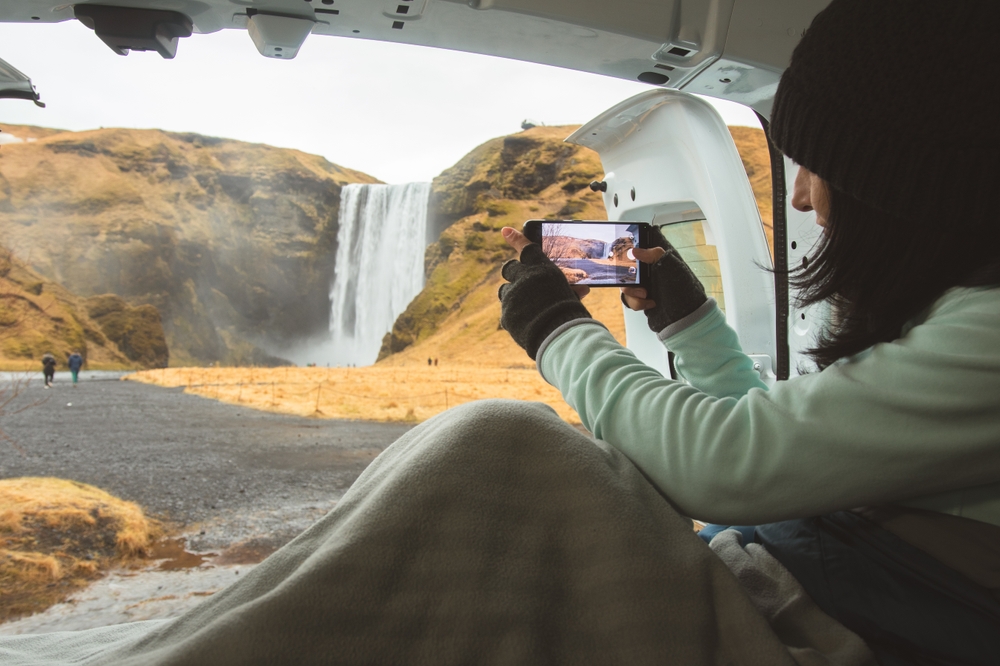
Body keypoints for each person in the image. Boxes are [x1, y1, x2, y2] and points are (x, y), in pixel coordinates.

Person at [496, 1, 1000, 663]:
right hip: (816, 587)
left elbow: (729, 466)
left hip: (829, 613)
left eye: (816, 165)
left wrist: (556, 330)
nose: (798, 197)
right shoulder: (952, 318)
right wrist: (692, 325)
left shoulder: (987, 337)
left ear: (892, 185)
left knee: (493, 440)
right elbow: (779, 453)